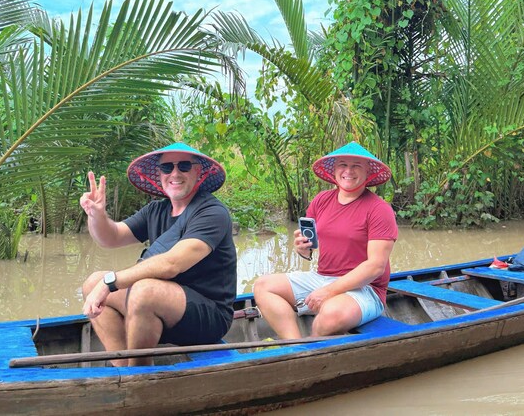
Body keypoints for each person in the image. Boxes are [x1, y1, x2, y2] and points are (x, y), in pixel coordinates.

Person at [80, 142, 236, 366]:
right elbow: (111, 237)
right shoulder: (155, 210)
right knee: (92, 283)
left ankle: (138, 375)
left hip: (208, 315)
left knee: (144, 291)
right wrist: (96, 215)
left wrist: (110, 283)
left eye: (184, 166)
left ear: (197, 171)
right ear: (160, 174)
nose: (175, 174)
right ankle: (121, 369)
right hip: (161, 305)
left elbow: (172, 264)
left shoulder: (212, 212)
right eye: (167, 168)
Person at [253, 142, 397, 338]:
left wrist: (329, 291)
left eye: (356, 165)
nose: (348, 171)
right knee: (263, 286)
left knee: (330, 315)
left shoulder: (379, 209)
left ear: (368, 172)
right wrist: (303, 249)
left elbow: (375, 267)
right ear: (334, 170)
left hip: (366, 288)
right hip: (322, 277)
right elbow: (309, 248)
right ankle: (295, 346)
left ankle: (315, 347)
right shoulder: (321, 200)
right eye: (342, 165)